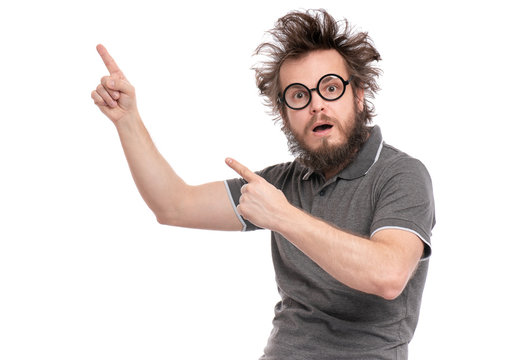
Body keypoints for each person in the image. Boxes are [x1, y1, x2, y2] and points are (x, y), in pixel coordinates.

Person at [91, 9, 435, 360]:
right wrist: (127, 120)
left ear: (358, 96)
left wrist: (282, 217)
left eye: (330, 88)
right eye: (299, 96)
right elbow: (173, 205)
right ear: (285, 114)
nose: (317, 105)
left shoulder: (400, 174)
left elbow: (389, 275)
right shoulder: (283, 183)